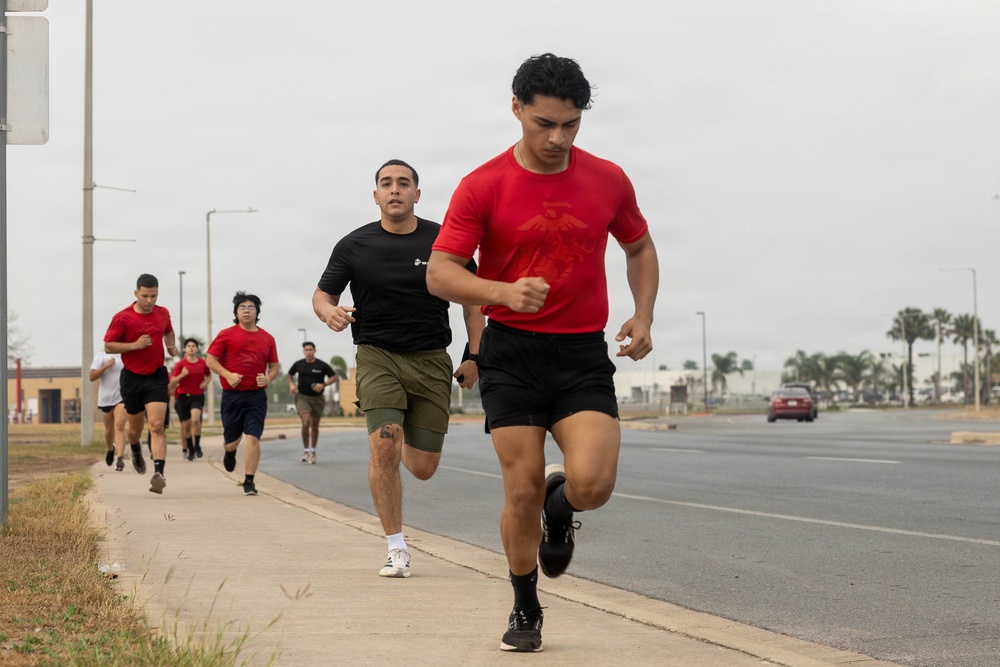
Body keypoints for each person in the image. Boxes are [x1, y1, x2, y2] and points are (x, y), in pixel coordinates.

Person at [426, 53, 659, 652]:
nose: (558, 138)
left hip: (581, 354)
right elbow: (442, 273)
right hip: (512, 354)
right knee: (520, 488)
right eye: (544, 124)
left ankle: (565, 505)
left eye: (571, 125)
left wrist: (643, 313)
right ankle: (525, 605)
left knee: (594, 483)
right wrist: (501, 292)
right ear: (516, 109)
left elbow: (638, 247)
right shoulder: (483, 185)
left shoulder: (608, 178)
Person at [312, 158, 485, 579]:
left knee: (423, 468)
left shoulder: (444, 241)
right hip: (377, 355)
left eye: (403, 183)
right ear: (375, 195)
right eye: (386, 183)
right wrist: (329, 313)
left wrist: (475, 356)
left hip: (431, 360)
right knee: (384, 447)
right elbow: (321, 295)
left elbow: (474, 302)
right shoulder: (354, 245)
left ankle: (403, 431)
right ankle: (396, 547)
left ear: (416, 194)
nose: (395, 190)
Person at [103, 273, 180, 494]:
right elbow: (109, 346)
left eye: (153, 296)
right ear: (136, 293)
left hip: (156, 376)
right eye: (145, 296)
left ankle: (159, 473)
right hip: (132, 378)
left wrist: (171, 346)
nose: (149, 301)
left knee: (157, 426)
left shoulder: (162, 313)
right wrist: (134, 345)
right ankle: (135, 449)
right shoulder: (123, 318)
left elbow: (169, 331)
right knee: (134, 430)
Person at [205, 292, 279, 496]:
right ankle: (229, 451)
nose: (247, 311)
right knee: (232, 440)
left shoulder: (267, 338)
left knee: (253, 437)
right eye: (242, 308)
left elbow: (274, 366)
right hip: (232, 396)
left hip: (256, 396)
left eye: (251, 307)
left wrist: (268, 378)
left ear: (257, 311)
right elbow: (210, 360)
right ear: (236, 312)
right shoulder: (226, 334)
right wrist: (227, 374)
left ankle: (249, 481)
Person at [287, 341, 337, 464]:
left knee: (314, 425)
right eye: (306, 350)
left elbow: (334, 377)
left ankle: (313, 452)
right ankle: (305, 450)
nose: (308, 352)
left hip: (318, 399)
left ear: (315, 350)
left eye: (310, 349)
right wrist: (291, 384)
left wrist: (323, 384)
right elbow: (289, 374)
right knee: (306, 421)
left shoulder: (321, 365)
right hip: (302, 397)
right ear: (304, 351)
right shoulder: (299, 364)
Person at [168, 338, 212, 461]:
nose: (191, 348)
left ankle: (197, 445)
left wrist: (205, 383)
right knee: (186, 426)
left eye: (193, 346)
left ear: (197, 349)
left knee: (196, 420)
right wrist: (182, 375)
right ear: (184, 349)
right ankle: (190, 449)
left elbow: (209, 375)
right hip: (183, 397)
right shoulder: (180, 364)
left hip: (197, 395)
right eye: (189, 346)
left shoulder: (203, 363)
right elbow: (172, 382)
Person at [89, 349, 127, 471]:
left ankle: (120, 458)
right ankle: (110, 449)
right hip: (106, 398)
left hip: (122, 397)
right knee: (109, 430)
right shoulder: (101, 356)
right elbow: (92, 377)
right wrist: (106, 366)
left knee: (119, 425)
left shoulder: (126, 354)